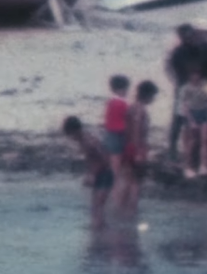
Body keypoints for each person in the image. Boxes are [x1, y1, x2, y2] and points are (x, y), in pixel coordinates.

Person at [165, 23, 207, 157]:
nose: (189, 38)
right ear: (181, 37)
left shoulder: (205, 49)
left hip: (200, 85)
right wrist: (178, 83)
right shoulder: (178, 51)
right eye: (186, 36)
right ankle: (173, 148)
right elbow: (171, 69)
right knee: (179, 118)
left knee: (205, 115)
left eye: (191, 35)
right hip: (183, 86)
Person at [62, 116, 113, 229]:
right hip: (101, 174)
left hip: (105, 174)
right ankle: (100, 231)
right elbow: (92, 160)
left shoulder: (88, 142)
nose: (70, 138)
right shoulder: (84, 140)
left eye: (70, 134)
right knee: (95, 206)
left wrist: (93, 175)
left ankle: (100, 231)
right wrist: (90, 174)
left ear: (74, 131)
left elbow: (105, 159)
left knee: (98, 206)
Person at [120, 80, 157, 213]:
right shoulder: (140, 110)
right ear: (147, 95)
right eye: (153, 96)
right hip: (137, 147)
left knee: (128, 180)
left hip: (128, 146)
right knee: (136, 182)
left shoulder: (132, 107)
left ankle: (121, 209)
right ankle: (132, 211)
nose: (153, 99)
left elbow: (127, 129)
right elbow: (136, 129)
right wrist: (138, 153)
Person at [177, 70, 207, 179]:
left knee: (205, 140)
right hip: (192, 114)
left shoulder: (205, 85)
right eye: (193, 73)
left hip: (204, 114)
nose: (196, 76)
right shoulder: (186, 88)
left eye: (198, 73)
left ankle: (204, 166)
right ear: (190, 75)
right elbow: (184, 106)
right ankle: (188, 167)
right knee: (192, 141)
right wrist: (191, 121)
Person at [102, 75, 130, 204]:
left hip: (109, 134)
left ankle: (112, 193)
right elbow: (126, 121)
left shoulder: (110, 102)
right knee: (118, 168)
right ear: (120, 89)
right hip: (119, 135)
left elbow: (107, 121)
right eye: (125, 89)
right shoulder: (122, 104)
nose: (126, 91)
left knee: (113, 166)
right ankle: (116, 196)